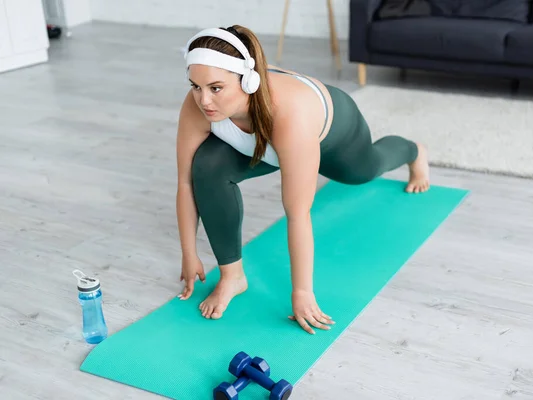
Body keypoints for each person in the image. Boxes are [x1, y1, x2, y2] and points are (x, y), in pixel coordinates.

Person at [175, 24, 430, 335]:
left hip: (333, 129)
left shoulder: (289, 113)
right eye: (195, 86)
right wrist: (189, 253)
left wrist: (302, 293)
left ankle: (414, 151)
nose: (204, 100)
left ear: (248, 81)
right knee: (207, 166)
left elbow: (297, 214)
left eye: (215, 88)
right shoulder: (199, 104)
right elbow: (186, 184)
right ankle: (232, 276)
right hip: (267, 137)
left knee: (362, 172)